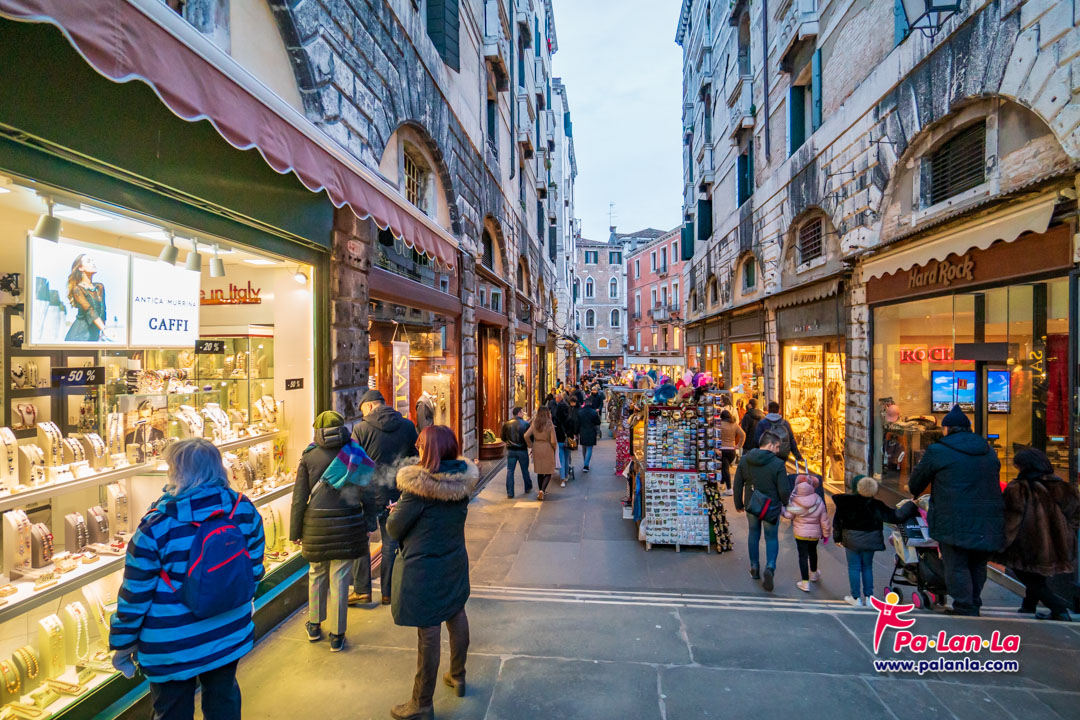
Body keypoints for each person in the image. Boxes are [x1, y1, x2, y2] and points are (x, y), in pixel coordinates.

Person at [110, 439, 264, 720]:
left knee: (172, 710)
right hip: (229, 632)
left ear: (177, 472)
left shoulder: (156, 527)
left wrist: (122, 644)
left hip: (173, 645)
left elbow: (135, 595)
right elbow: (253, 568)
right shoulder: (243, 510)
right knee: (224, 701)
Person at [387, 426, 476, 720]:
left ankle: (422, 703)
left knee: (428, 631)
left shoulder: (418, 490)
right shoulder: (462, 483)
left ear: (431, 450)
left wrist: (395, 510)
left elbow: (394, 528)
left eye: (421, 444)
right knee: (456, 612)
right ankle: (458, 675)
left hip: (424, 567)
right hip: (453, 560)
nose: (417, 447)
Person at [290, 411, 376, 651]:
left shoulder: (309, 456)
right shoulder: (356, 454)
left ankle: (315, 625)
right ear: (343, 428)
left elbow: (299, 498)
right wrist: (370, 524)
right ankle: (337, 634)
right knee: (340, 577)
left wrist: (295, 531)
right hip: (348, 523)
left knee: (316, 572)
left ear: (317, 428)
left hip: (315, 525)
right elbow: (367, 493)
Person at [908, 404, 1003, 616]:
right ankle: (974, 601)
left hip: (953, 516)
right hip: (987, 517)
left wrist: (915, 492)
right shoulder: (987, 450)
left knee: (956, 563)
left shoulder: (938, 450)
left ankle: (964, 604)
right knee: (978, 563)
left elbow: (917, 480)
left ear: (947, 429)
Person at [350, 389, 419, 606]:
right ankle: (388, 592)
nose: (363, 416)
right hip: (397, 493)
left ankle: (362, 590)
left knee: (361, 539)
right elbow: (415, 459)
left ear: (370, 406)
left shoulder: (360, 429)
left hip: (368, 494)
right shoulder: (407, 426)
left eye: (363, 410)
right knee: (391, 542)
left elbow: (354, 465)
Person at [994, 447, 1079, 620]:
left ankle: (1059, 609)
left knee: (1027, 575)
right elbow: (1076, 512)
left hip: (1028, 543)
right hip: (1057, 543)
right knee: (1036, 576)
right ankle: (1028, 605)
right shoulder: (1061, 485)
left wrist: (1002, 543)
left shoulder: (1018, 487)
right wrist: (1067, 531)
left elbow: (1011, 520)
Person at [834, 476, 916, 606]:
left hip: (851, 539)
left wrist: (837, 538)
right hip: (870, 539)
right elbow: (895, 516)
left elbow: (837, 522)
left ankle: (855, 598)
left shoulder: (845, 502)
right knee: (867, 567)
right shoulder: (876, 505)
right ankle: (869, 597)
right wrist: (912, 504)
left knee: (854, 568)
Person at [733, 432, 791, 592]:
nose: (778, 450)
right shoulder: (778, 464)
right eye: (777, 447)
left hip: (752, 502)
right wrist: (786, 504)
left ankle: (754, 567)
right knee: (771, 537)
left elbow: (738, 483)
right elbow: (784, 490)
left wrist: (738, 503)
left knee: (753, 534)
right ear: (770, 445)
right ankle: (770, 567)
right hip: (771, 506)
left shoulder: (745, 460)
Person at [782, 475, 830, 592]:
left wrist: (782, 510)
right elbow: (824, 519)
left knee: (802, 556)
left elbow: (789, 515)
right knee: (813, 552)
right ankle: (814, 573)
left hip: (800, 534)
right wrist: (826, 534)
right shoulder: (818, 500)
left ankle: (805, 582)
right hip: (814, 534)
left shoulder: (795, 502)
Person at [64, 253, 112, 342]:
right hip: (78, 336)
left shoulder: (100, 287)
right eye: (89, 261)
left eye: (93, 261)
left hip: (94, 335)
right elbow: (90, 311)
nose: (93, 263)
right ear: (81, 268)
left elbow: (103, 310)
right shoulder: (78, 289)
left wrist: (103, 330)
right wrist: (104, 329)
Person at [525, 406, 559, 500]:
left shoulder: (534, 422)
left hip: (537, 447)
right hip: (547, 447)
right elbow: (553, 440)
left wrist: (531, 445)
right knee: (548, 471)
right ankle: (542, 491)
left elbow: (526, 435)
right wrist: (554, 448)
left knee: (540, 471)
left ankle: (541, 490)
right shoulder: (549, 423)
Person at [500, 407, 532, 498]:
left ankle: (510, 492)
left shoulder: (506, 424)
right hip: (522, 450)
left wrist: (508, 441)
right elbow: (529, 437)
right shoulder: (525, 424)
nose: (523, 414)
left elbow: (502, 437)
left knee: (510, 471)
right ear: (519, 413)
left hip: (511, 450)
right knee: (525, 470)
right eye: (522, 412)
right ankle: (528, 487)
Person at [717, 410, 745, 495]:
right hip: (732, 450)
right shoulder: (734, 425)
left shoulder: (719, 424)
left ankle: (729, 488)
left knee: (725, 469)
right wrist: (739, 445)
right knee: (725, 467)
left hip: (722, 449)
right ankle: (722, 484)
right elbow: (743, 435)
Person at [577, 400, 601, 473]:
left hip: (582, 431)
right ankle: (586, 464)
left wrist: (576, 432)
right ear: (590, 404)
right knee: (589, 448)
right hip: (591, 431)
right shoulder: (594, 412)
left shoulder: (580, 412)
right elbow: (598, 422)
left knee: (584, 448)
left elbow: (578, 423)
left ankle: (585, 462)